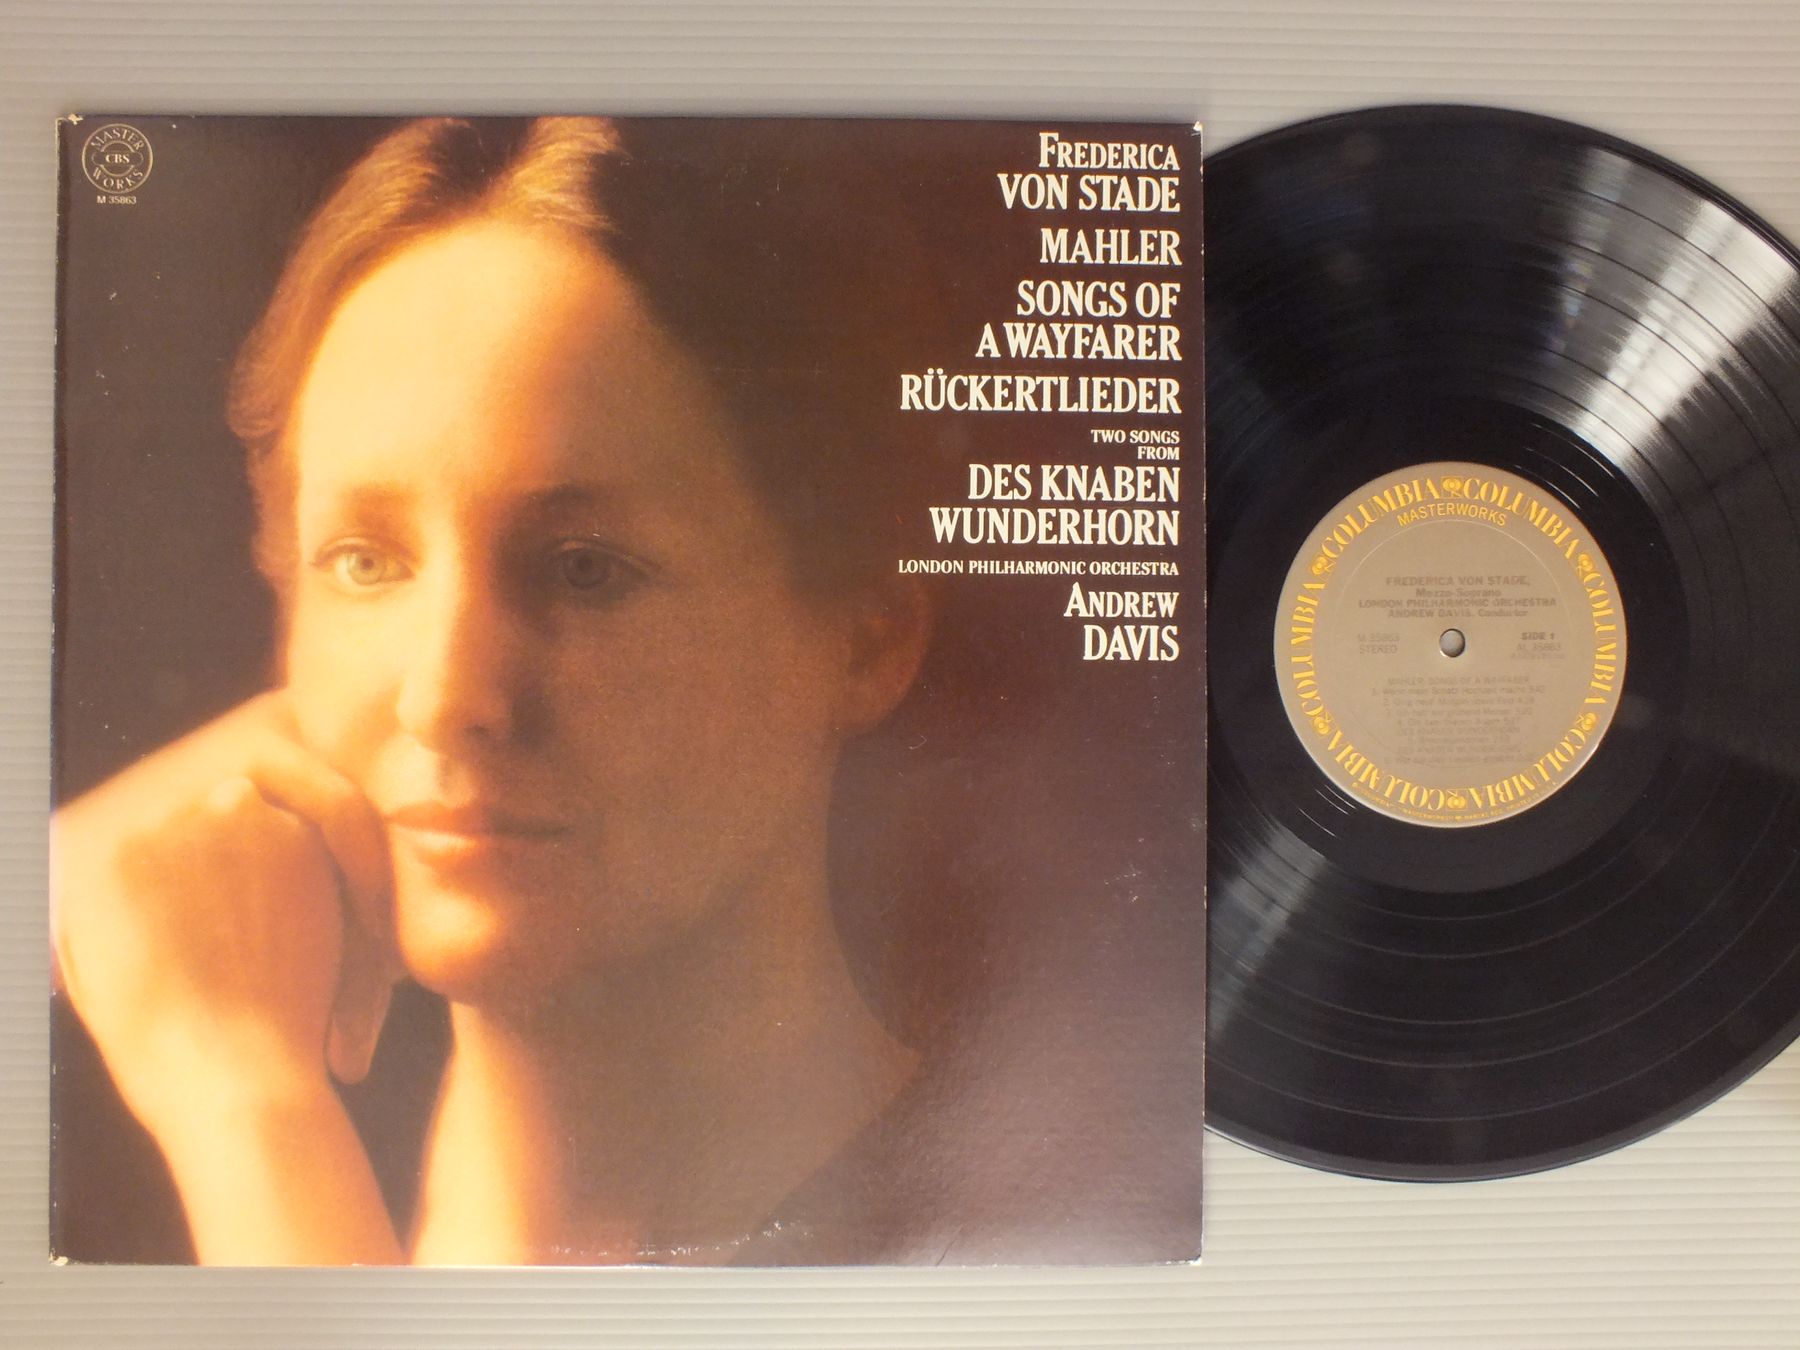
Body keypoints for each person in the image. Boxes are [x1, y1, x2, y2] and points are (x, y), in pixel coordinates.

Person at [50, 117, 938, 1265]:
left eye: (584, 570)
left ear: (866, 641)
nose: (446, 695)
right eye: (365, 562)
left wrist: (248, 1114)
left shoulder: (1003, 1242)